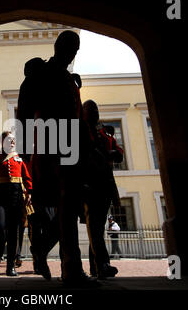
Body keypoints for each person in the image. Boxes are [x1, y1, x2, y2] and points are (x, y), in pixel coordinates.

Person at [17, 30, 93, 285]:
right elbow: (25, 111)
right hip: (50, 144)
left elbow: (78, 121)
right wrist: (26, 153)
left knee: (68, 208)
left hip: (70, 148)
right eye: (67, 46)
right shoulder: (41, 73)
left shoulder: (70, 80)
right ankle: (70, 268)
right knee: (63, 206)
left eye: (75, 48)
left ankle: (46, 251)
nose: (71, 52)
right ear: (57, 46)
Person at [82, 99, 123, 278]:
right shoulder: (79, 132)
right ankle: (103, 264)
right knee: (95, 227)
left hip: (105, 183)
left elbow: (118, 151)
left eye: (95, 108)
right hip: (88, 184)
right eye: (89, 109)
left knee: (97, 228)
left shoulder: (105, 133)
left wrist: (114, 153)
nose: (94, 111)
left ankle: (96, 267)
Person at [0, 131, 32, 276]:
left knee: (13, 231)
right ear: (2, 141)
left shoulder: (19, 158)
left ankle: (10, 266)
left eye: (13, 140)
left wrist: (29, 192)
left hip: (16, 196)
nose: (12, 142)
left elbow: (27, 177)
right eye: (9, 139)